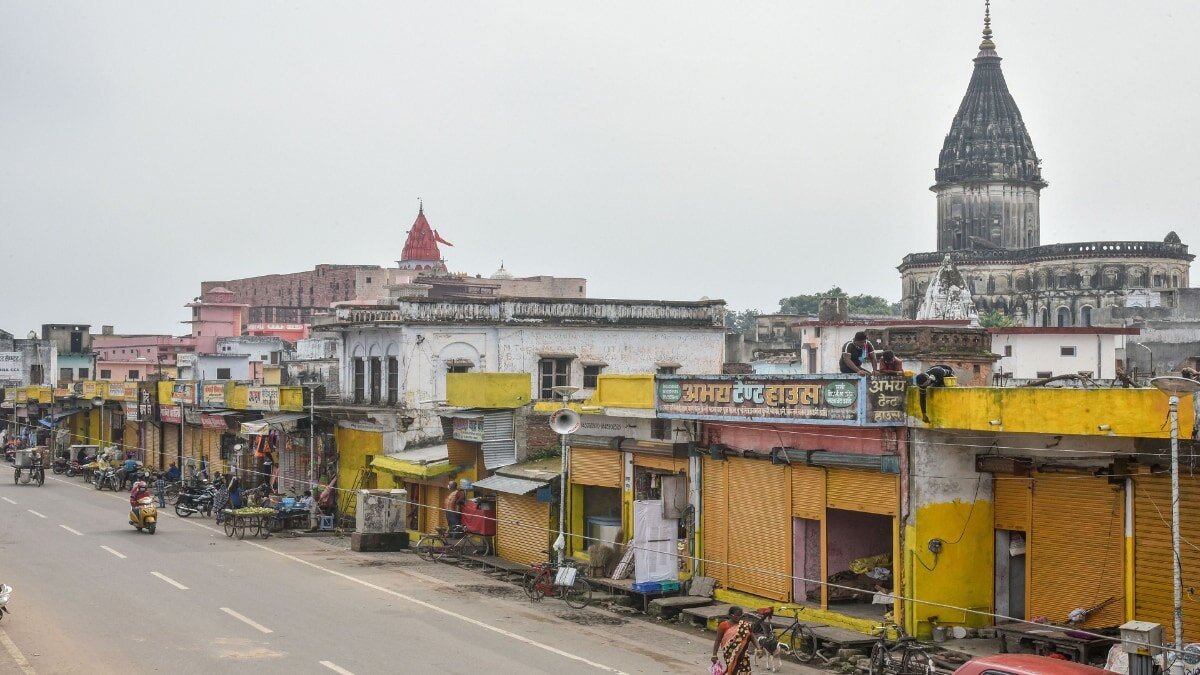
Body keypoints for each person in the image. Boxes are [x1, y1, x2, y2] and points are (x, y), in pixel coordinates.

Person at [717, 607, 757, 674]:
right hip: (729, 653)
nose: (739, 618)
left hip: (743, 654)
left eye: (740, 616)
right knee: (732, 669)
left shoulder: (744, 625)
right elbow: (718, 640)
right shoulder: (723, 625)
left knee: (744, 671)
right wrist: (714, 655)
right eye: (737, 615)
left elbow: (752, 636)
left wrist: (758, 648)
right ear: (730, 615)